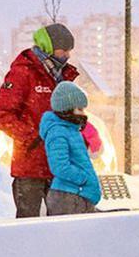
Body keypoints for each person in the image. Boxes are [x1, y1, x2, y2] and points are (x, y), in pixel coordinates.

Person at [0, 23, 79, 218]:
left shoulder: (63, 76)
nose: (67, 55)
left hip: (59, 166)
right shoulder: (23, 73)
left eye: (69, 51)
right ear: (48, 47)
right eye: (63, 50)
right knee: (28, 223)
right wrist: (34, 137)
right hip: (30, 167)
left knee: (62, 224)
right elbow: (2, 114)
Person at [40, 81, 102, 215]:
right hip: (68, 197)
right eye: (79, 109)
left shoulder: (71, 130)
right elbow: (59, 166)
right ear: (66, 110)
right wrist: (83, 178)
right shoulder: (57, 132)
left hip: (76, 195)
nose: (83, 113)